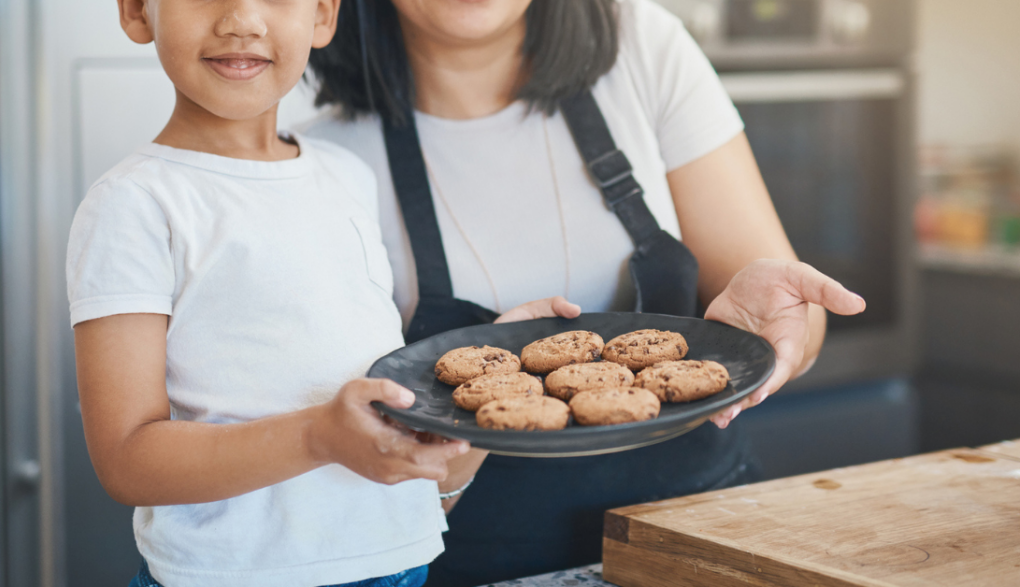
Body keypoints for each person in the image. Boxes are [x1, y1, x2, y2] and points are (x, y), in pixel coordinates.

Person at [301, 0, 868, 585]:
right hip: (475, 562)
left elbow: (794, 323)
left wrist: (767, 333)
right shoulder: (304, 136)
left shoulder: (641, 45)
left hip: (707, 540)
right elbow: (352, 488)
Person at [62, 0, 557, 585]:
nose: (242, 19)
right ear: (138, 12)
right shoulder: (134, 204)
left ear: (323, 16)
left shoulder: (348, 178)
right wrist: (316, 436)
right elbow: (126, 460)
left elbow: (416, 472)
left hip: (401, 563)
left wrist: (480, 384)